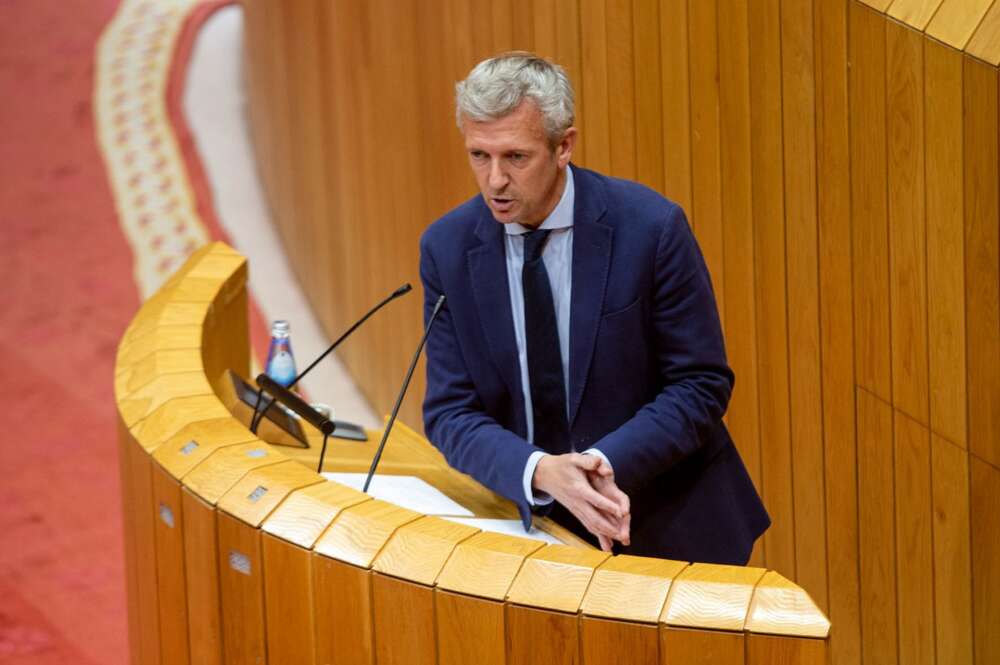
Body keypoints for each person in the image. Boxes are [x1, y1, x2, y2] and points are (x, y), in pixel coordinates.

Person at [419, 52, 769, 564]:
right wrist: (541, 471)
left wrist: (597, 466)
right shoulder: (447, 248)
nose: (494, 181)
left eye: (515, 157)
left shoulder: (650, 229)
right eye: (479, 156)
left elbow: (700, 385)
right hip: (532, 533)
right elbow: (450, 412)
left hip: (668, 525)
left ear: (564, 146)